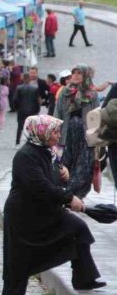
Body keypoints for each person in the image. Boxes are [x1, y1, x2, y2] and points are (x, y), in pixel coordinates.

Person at [0, 115, 104, 295]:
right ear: (41, 132)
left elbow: (52, 179)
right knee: (18, 259)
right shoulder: (26, 156)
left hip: (46, 211)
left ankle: (84, 277)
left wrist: (62, 173)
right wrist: (68, 198)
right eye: (54, 131)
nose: (58, 135)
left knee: (78, 228)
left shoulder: (49, 152)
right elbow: (40, 186)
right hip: (24, 215)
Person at [54, 65, 100, 198]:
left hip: (85, 135)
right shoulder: (65, 92)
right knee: (65, 162)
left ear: (85, 75)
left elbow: (96, 115)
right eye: (74, 73)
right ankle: (65, 192)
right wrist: (55, 129)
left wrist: (96, 137)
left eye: (79, 73)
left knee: (84, 164)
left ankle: (78, 194)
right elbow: (58, 112)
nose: (76, 75)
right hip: (67, 133)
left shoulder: (92, 94)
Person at [13, 73, 41, 146]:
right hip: (32, 110)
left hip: (21, 110)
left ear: (23, 78)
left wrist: (16, 108)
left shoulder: (19, 88)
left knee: (20, 126)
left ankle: (17, 142)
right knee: (31, 127)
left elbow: (15, 99)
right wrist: (37, 110)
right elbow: (37, 101)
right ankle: (31, 142)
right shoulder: (35, 88)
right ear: (29, 79)